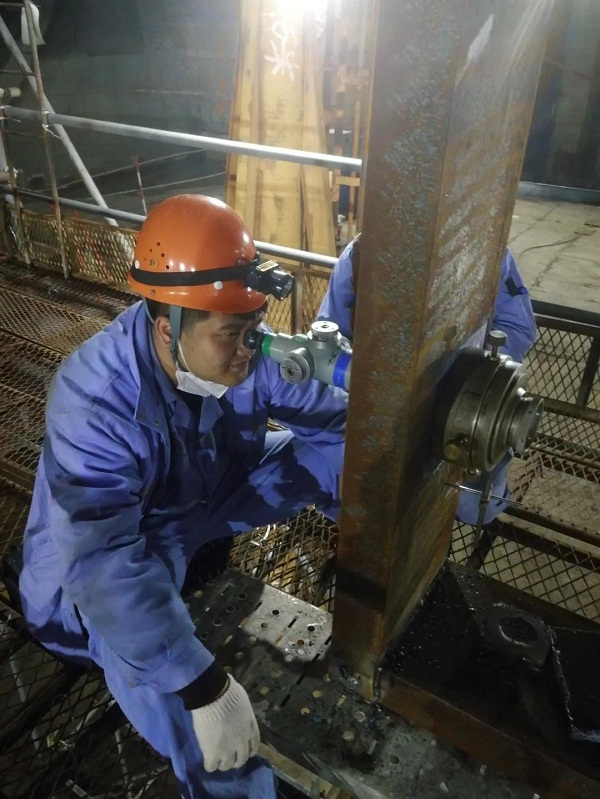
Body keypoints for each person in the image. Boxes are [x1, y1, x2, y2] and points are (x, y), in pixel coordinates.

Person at [19, 194, 347, 799]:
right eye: (232, 334)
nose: (250, 349)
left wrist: (391, 488)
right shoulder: (94, 401)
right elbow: (102, 561)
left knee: (331, 454)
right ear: (167, 328)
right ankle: (237, 787)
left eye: (253, 328)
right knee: (150, 655)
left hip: (195, 498)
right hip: (99, 568)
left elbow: (333, 419)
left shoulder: (234, 346)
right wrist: (204, 685)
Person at [317, 236, 536, 525]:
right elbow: (331, 335)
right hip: (385, 409)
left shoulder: (487, 247)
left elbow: (517, 326)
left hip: (462, 410)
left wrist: (471, 379)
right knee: (350, 499)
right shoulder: (363, 252)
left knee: (476, 507)